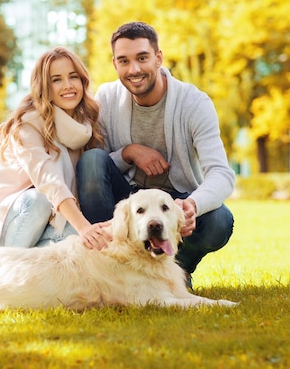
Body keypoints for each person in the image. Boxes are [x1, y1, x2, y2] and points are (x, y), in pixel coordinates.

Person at [76, 22, 235, 288]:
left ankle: (176, 274)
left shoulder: (195, 104)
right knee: (91, 160)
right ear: (114, 64)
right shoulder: (107, 97)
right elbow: (96, 167)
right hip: (126, 200)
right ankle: (110, 268)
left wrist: (192, 205)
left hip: (176, 201)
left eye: (142, 58)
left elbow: (221, 174)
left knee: (220, 220)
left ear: (158, 58)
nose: (134, 69)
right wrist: (128, 152)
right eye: (124, 61)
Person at [0, 47, 112, 254]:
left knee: (81, 244)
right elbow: (47, 179)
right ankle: (1, 272)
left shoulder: (83, 126)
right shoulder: (28, 124)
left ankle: (26, 274)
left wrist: (128, 153)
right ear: (44, 86)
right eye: (56, 79)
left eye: (73, 77)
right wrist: (84, 227)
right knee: (39, 201)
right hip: (0, 217)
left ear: (82, 81)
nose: (68, 86)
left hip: (46, 218)